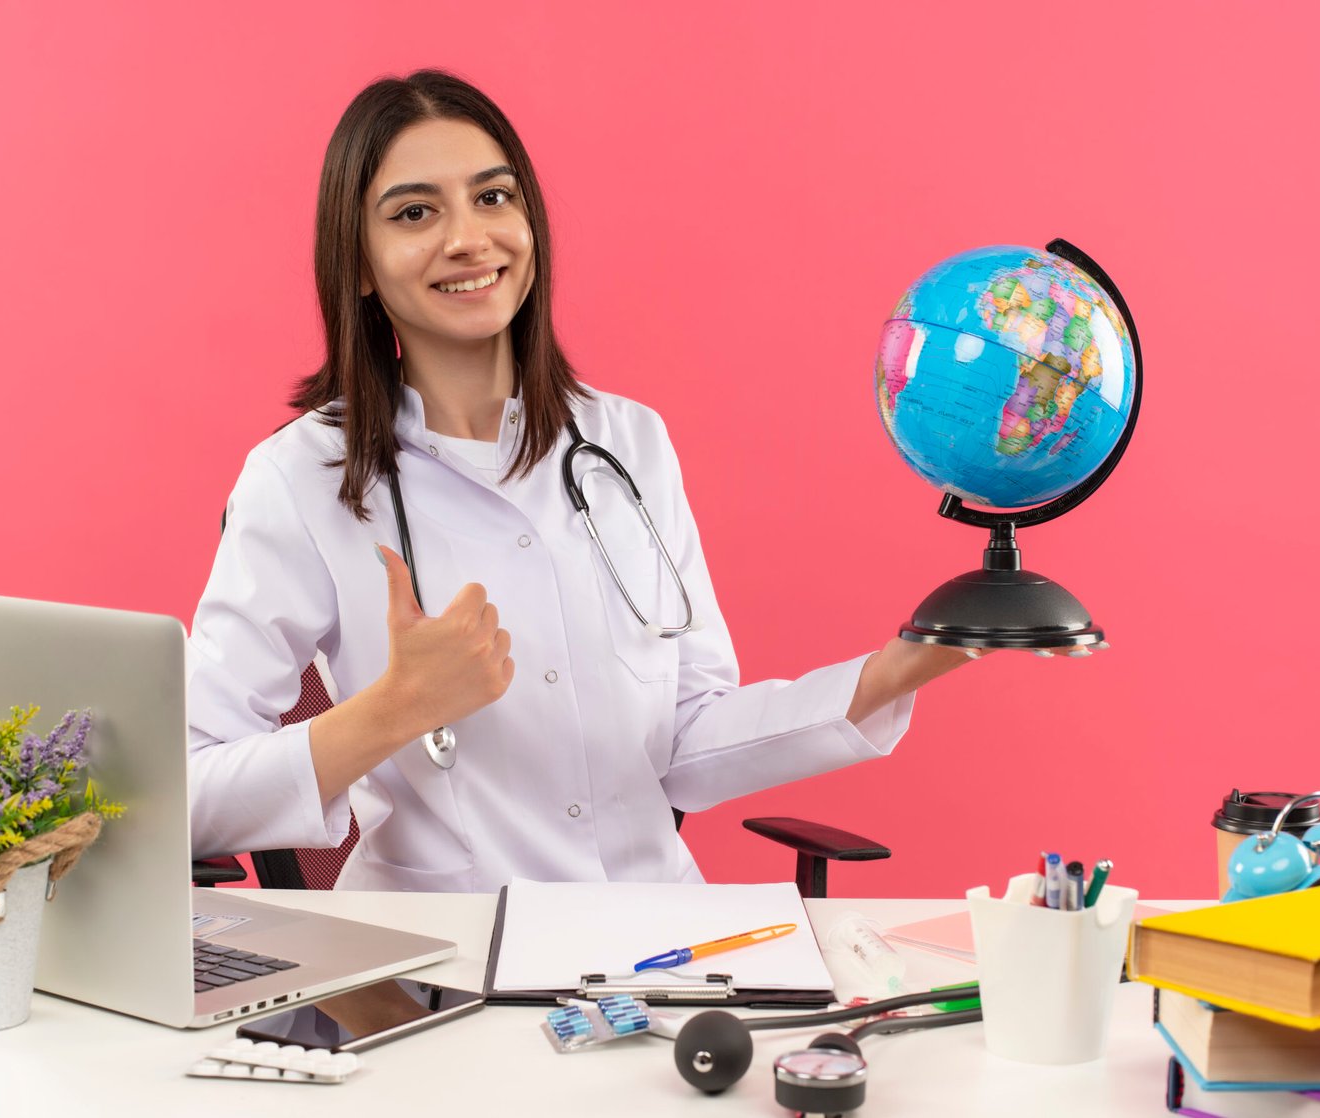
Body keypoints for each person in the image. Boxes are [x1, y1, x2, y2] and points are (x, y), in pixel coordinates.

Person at [187, 69, 981, 892]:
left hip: (658, 947)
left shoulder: (628, 442)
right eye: (415, 213)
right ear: (357, 263)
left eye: (494, 198)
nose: (468, 239)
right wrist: (392, 709)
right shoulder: (302, 478)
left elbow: (686, 742)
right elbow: (186, 791)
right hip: (444, 968)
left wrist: (897, 670)